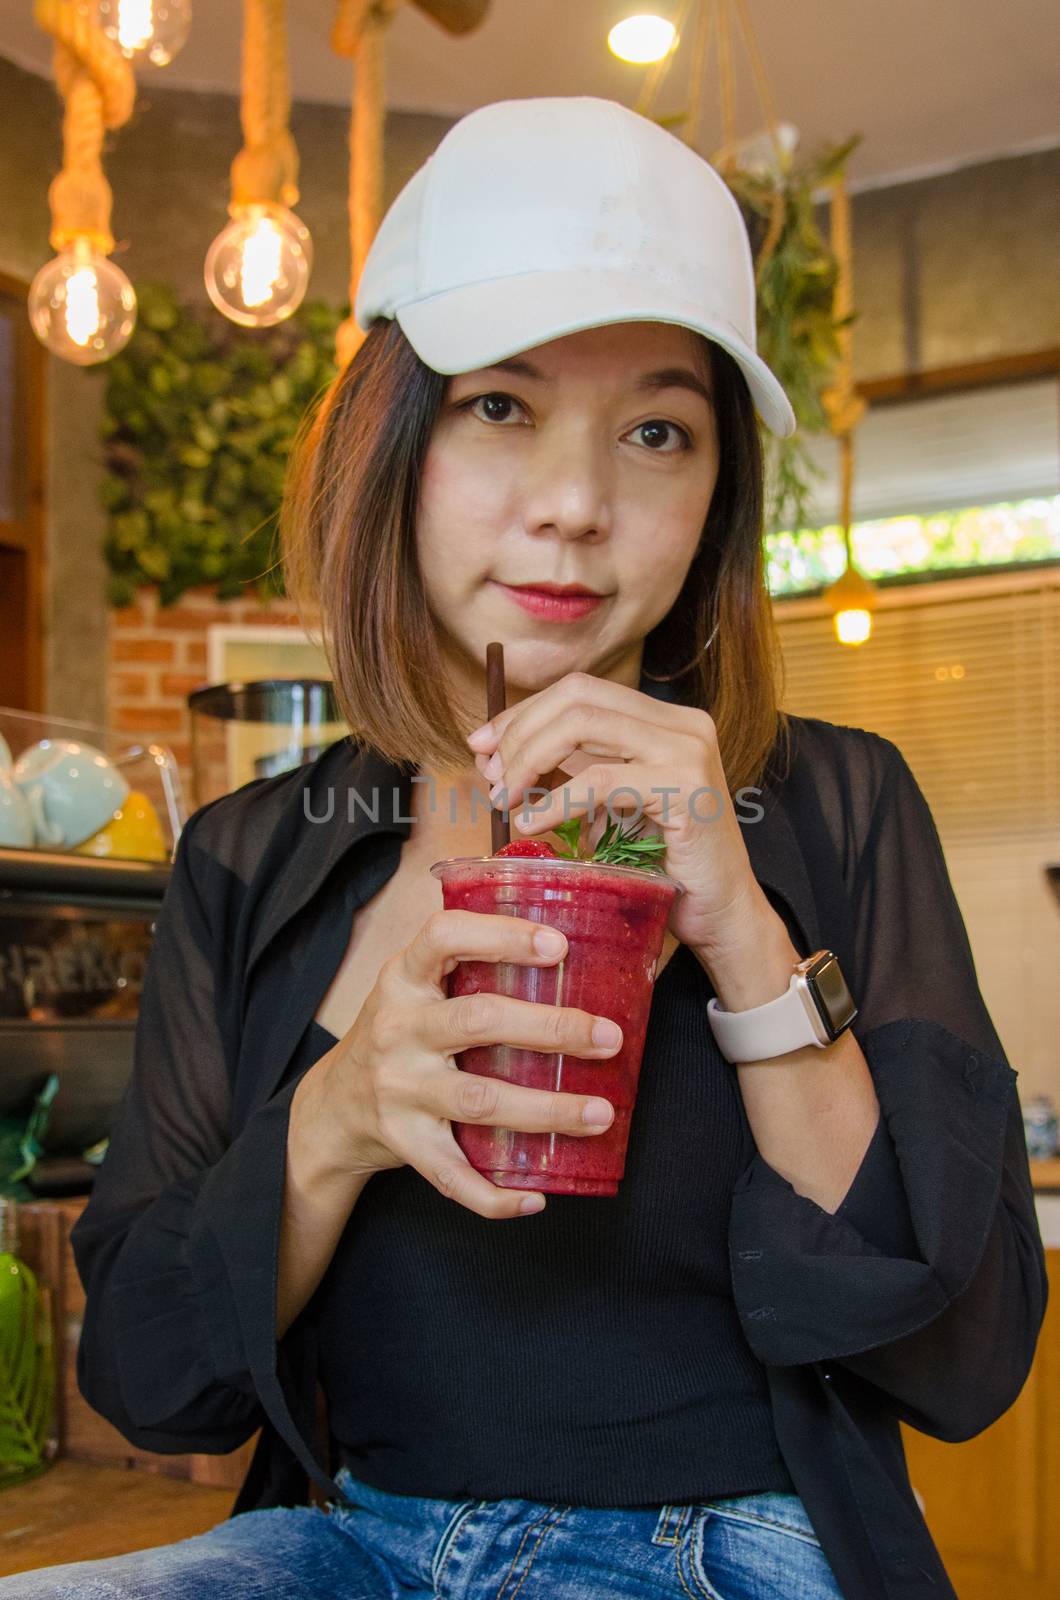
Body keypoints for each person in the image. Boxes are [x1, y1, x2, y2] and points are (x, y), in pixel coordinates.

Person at [9, 98, 1046, 1600]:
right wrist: (341, 1113)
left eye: (657, 431)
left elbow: (965, 1355)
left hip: (722, 1552)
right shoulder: (252, 853)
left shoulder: (833, 806)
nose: (574, 508)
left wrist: (743, 935)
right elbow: (159, 1376)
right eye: (501, 404)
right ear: (392, 439)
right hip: (349, 1543)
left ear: (716, 494)